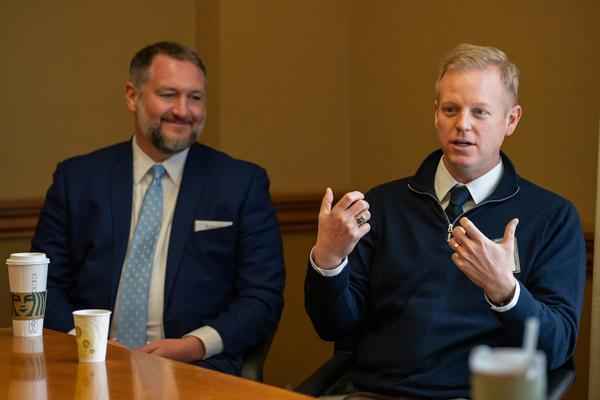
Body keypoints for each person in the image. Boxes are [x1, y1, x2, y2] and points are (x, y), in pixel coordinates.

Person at [305, 43, 586, 399]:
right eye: (451, 109)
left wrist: (504, 290)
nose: (462, 125)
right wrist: (328, 261)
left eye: (480, 112)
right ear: (436, 114)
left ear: (511, 120)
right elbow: (333, 326)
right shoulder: (383, 205)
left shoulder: (553, 217)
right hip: (375, 392)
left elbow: (556, 348)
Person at [31, 41, 285, 375]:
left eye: (195, 97)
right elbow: (44, 284)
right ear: (132, 96)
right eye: (168, 94)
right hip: (84, 362)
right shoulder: (78, 179)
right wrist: (85, 341)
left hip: (198, 368)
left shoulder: (241, 184)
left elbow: (262, 297)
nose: (184, 110)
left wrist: (194, 345)